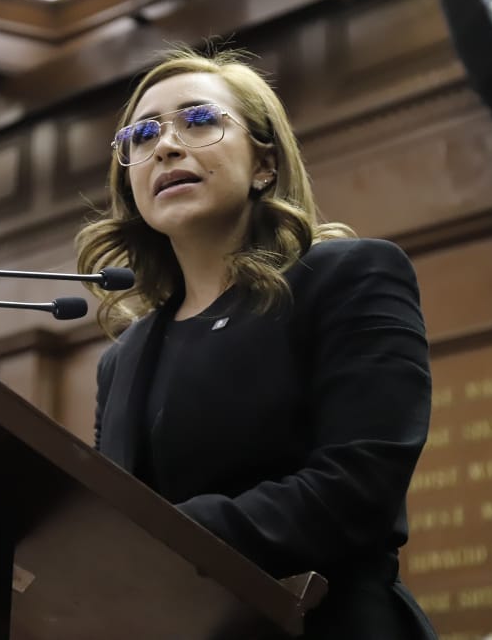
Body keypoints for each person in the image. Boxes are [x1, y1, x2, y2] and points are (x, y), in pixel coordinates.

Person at [74, 47, 438, 639]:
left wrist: (159, 539)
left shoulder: (348, 277)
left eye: (198, 120)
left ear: (264, 163)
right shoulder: (123, 359)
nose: (165, 146)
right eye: (142, 134)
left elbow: (358, 488)